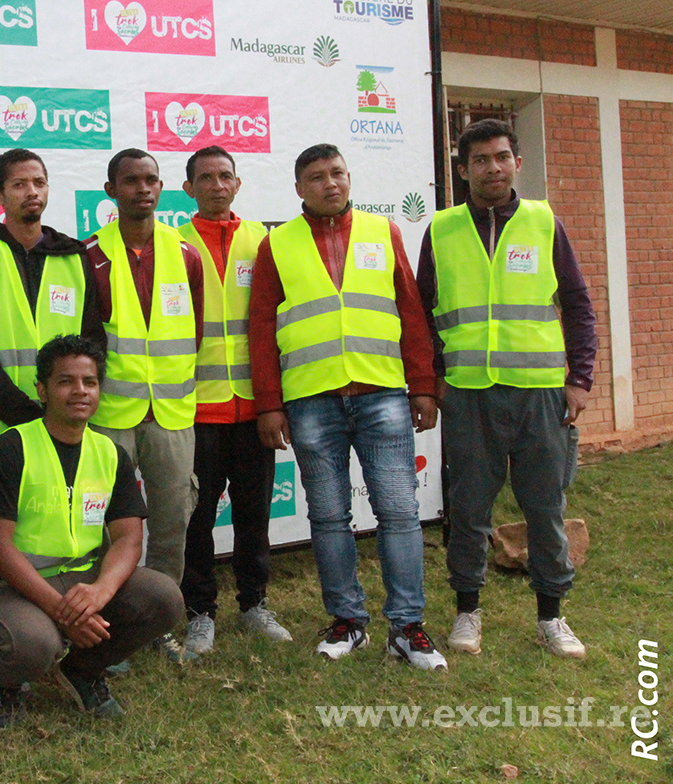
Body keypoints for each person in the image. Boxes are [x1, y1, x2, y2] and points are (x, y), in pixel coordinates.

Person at [249, 144, 447, 671]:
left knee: (400, 513)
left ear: (349, 177)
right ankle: (347, 622)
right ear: (298, 189)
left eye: (337, 173)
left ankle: (407, 628)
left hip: (382, 393)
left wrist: (423, 385)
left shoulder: (384, 232)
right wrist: (270, 403)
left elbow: (411, 312)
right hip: (312, 400)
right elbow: (262, 330)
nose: (329, 183)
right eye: (316, 177)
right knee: (330, 517)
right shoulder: (278, 245)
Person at [416, 118, 597, 658]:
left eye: (501, 157)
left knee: (545, 508)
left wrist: (580, 379)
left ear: (517, 162)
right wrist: (434, 380)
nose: (492, 168)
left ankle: (551, 616)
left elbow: (580, 306)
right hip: (470, 395)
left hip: (541, 393)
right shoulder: (442, 229)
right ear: (463, 169)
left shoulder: (544, 223)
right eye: (479, 160)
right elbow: (422, 312)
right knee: (468, 509)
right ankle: (467, 612)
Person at [0, 334, 184, 729]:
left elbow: (128, 538)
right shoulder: (10, 448)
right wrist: (62, 612)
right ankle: (4, 682)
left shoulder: (109, 452)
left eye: (90, 382)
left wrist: (100, 591)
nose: (80, 391)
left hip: (83, 579)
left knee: (165, 598)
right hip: (12, 584)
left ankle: (82, 672)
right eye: (66, 381)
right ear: (42, 390)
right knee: (34, 645)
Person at [84, 148, 204, 664]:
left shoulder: (186, 254)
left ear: (162, 187)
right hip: (111, 416)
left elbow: (193, 331)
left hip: (172, 414)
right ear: (111, 190)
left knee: (173, 520)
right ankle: (103, 623)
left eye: (151, 180)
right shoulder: (90, 256)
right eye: (130, 181)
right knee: (103, 525)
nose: (143, 189)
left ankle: (157, 621)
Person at [176, 146, 291, 655]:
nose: (217, 185)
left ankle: (254, 603)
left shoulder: (263, 240)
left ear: (238, 184)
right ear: (188, 189)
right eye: (206, 178)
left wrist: (273, 402)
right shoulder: (172, 243)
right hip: (195, 409)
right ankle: (200, 611)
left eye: (225, 176)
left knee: (253, 515)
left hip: (253, 409)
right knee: (196, 520)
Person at [0, 148, 107, 439]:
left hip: (69, 425)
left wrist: (67, 409)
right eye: (19, 184)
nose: (32, 191)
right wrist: (29, 415)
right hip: (4, 428)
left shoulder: (74, 257)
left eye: (39, 183)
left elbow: (92, 340)